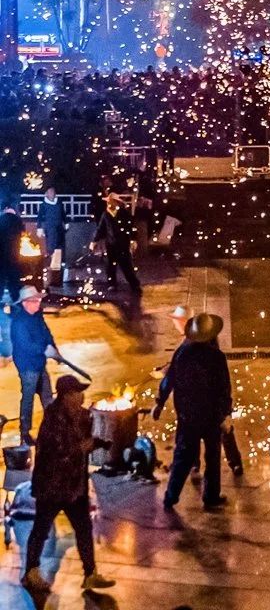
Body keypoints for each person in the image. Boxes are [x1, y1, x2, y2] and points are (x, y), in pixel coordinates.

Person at [21, 375, 116, 593]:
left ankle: (90, 574)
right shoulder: (53, 419)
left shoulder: (83, 416)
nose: (81, 396)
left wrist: (98, 444)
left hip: (75, 486)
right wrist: (80, 448)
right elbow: (51, 453)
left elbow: (85, 444)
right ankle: (30, 573)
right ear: (65, 396)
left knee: (84, 529)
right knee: (41, 529)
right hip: (52, 487)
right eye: (76, 392)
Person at [154, 313, 232, 511]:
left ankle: (171, 497)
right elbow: (224, 389)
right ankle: (211, 496)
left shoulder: (182, 353)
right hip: (211, 416)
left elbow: (169, 379)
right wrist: (226, 414)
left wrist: (160, 403)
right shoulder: (216, 357)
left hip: (188, 415)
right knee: (212, 457)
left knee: (183, 456)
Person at [11, 286, 57, 446]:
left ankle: (54, 428)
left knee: (47, 397)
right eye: (34, 301)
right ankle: (25, 433)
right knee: (28, 399)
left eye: (38, 300)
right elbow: (26, 345)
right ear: (25, 303)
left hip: (39, 363)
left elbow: (46, 333)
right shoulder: (19, 323)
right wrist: (44, 350)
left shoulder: (37, 317)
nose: (38, 303)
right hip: (27, 366)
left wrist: (53, 348)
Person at [90, 193, 141, 293]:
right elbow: (101, 229)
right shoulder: (105, 214)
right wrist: (94, 241)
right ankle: (112, 284)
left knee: (126, 265)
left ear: (116, 203)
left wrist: (134, 239)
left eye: (111, 202)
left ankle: (134, 285)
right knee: (110, 265)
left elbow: (131, 227)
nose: (109, 204)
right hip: (111, 244)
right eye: (108, 202)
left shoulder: (124, 213)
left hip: (123, 244)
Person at [36, 187, 67, 289]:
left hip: (60, 230)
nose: (52, 194)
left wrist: (66, 222)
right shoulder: (43, 205)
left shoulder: (59, 203)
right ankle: (51, 277)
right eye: (50, 192)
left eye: (53, 192)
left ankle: (59, 278)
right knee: (51, 250)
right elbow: (39, 217)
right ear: (46, 194)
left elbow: (63, 214)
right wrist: (39, 228)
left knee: (61, 251)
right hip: (50, 229)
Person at [0, 196, 24, 302]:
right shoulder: (17, 220)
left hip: (1, 255)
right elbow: (22, 233)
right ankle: (16, 299)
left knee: (1, 278)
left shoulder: (1, 219)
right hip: (14, 255)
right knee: (14, 279)